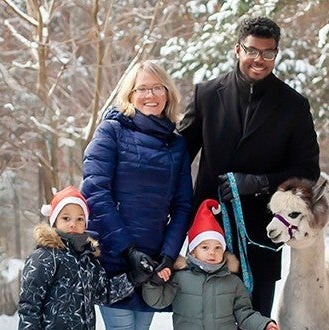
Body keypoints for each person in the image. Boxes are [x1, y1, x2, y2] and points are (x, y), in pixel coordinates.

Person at [178, 16, 320, 317]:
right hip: (210, 230)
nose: (260, 59)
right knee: (206, 318)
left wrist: (259, 182)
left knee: (255, 317)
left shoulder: (294, 105)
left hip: (263, 232)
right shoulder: (206, 95)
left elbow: (308, 169)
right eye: (252, 50)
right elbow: (177, 156)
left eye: (269, 53)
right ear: (238, 49)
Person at [81, 60, 193, 329]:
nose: (150, 95)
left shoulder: (176, 143)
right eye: (142, 88)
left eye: (158, 88)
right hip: (115, 257)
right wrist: (127, 250)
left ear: (168, 94)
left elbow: (182, 205)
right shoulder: (112, 131)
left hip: (152, 261)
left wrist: (168, 253)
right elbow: (95, 192)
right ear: (129, 95)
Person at [142, 199, 280, 330]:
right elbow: (157, 301)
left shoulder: (233, 282)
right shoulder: (179, 278)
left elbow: (244, 313)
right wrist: (155, 282)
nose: (212, 253)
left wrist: (264, 324)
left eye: (218, 247)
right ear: (193, 251)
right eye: (205, 247)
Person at [18, 186, 135, 330]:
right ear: (55, 221)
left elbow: (103, 293)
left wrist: (134, 277)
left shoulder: (88, 259)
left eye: (80, 219)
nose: (73, 224)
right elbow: (29, 305)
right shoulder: (45, 257)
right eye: (66, 218)